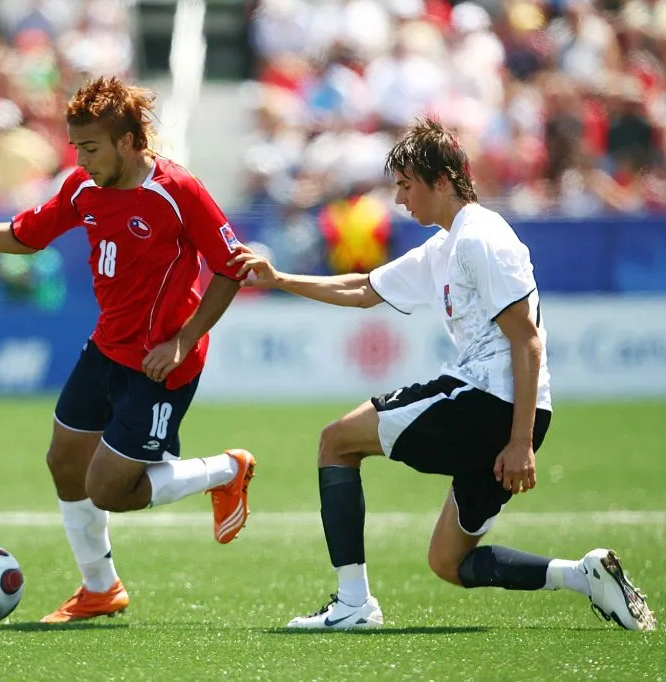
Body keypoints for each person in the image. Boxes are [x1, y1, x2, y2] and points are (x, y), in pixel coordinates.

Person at [229, 117, 657, 632]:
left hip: (491, 402)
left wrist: (519, 441)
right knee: (449, 563)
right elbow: (365, 289)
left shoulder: (481, 237)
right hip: (507, 411)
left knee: (336, 442)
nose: (401, 200)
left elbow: (527, 341)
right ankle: (585, 577)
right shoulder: (445, 245)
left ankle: (352, 604)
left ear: (444, 180)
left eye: (407, 186)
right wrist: (279, 281)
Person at [0, 76, 256, 623]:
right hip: (107, 348)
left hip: (162, 365)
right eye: (77, 148)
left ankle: (226, 470)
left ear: (129, 142)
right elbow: (26, 236)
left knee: (111, 488)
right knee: (64, 462)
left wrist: (182, 341)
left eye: (91, 147)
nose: (82, 159)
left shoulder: (176, 191)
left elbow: (235, 268)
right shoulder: (82, 188)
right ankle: (100, 588)